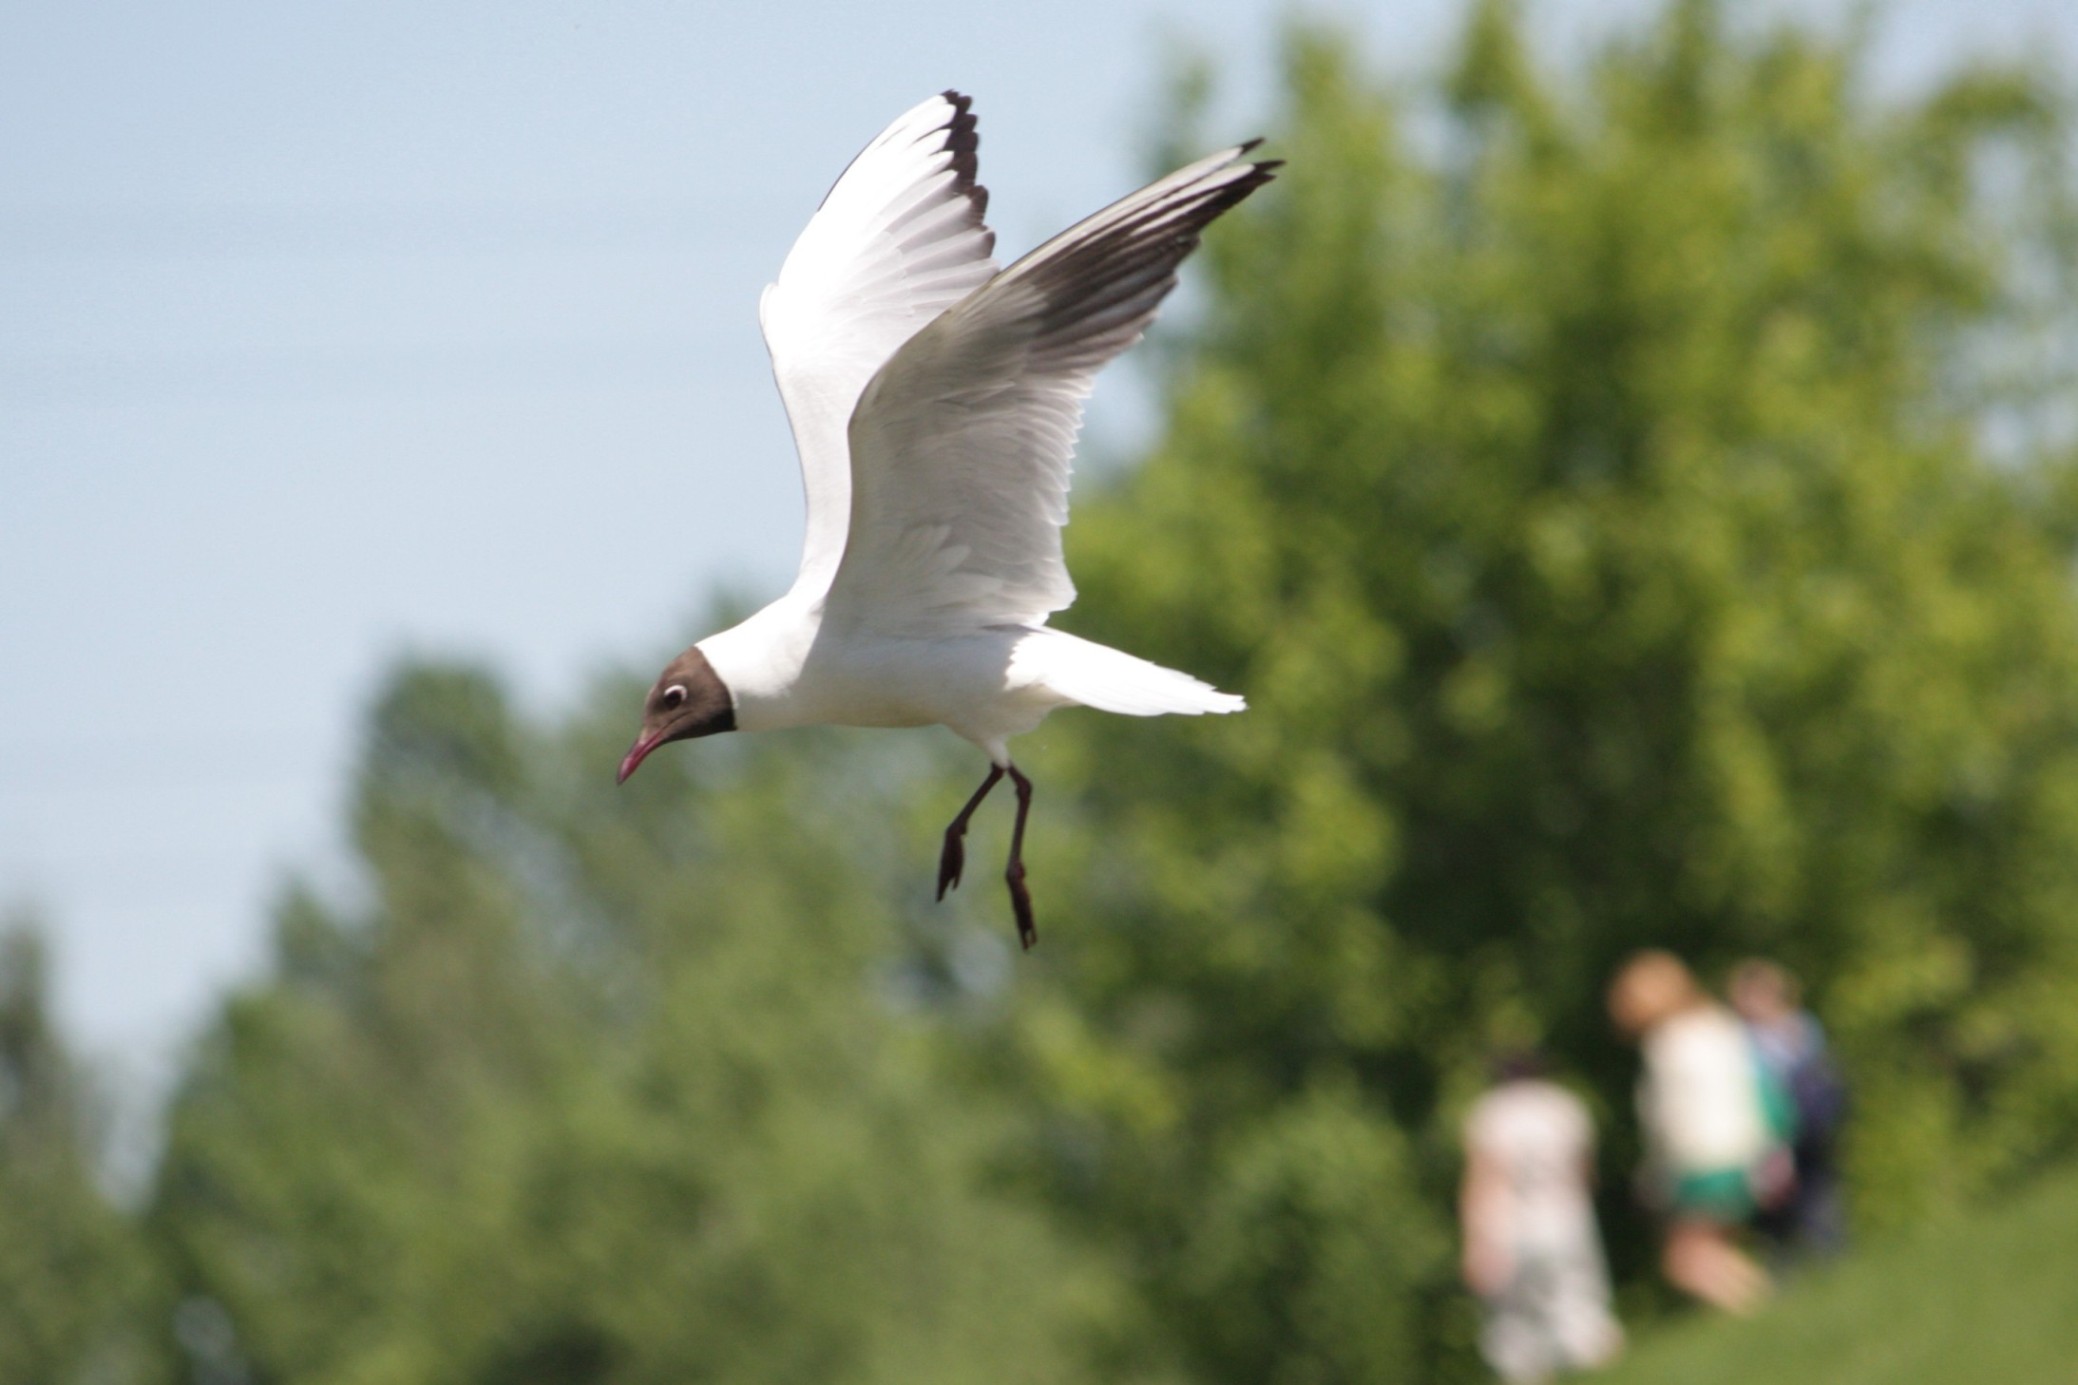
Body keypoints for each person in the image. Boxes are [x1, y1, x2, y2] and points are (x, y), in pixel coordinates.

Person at [1607, 951, 1790, 1314]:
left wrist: (1656, 1174)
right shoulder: (1718, 1024)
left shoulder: (1665, 1044)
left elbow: (1667, 1119)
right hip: (1748, 1149)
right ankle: (1763, 1303)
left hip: (1701, 1161)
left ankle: (1760, 1304)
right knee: (1714, 1248)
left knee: (1683, 1260)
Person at [1460, 1053, 1625, 1382]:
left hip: (1510, 1225)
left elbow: (1484, 1179)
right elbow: (1584, 1171)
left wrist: (1475, 1240)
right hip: (1567, 1217)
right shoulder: (1563, 1105)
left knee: (1515, 1325)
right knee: (1582, 1309)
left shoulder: (1490, 1112)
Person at [1731, 958, 1848, 1258]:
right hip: (1769, 1132)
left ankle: (1827, 1253)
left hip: (1808, 1126)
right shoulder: (1741, 1038)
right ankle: (1787, 1261)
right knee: (1775, 1202)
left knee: (1816, 1192)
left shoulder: (1800, 1027)